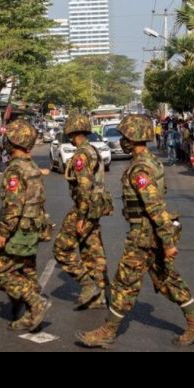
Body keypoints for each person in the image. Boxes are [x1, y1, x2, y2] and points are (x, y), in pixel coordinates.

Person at [77, 114, 194, 349]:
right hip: (152, 234)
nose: (123, 140)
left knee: (124, 282)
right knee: (169, 280)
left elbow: (155, 206)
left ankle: (108, 331)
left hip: (144, 235)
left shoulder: (140, 168)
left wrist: (168, 241)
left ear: (134, 137)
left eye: (125, 136)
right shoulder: (151, 161)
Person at [0, 119, 52, 331]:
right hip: (33, 226)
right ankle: (29, 311)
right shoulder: (32, 166)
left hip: (18, 230)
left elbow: (14, 205)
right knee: (28, 271)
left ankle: (36, 303)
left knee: (1, 273)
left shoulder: (15, 170)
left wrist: (3, 232)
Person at [53, 114, 112, 311]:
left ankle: (89, 284)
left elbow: (84, 187)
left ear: (71, 131)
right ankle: (101, 295)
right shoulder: (92, 150)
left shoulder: (81, 155)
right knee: (92, 251)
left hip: (84, 208)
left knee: (61, 249)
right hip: (95, 208)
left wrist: (81, 216)